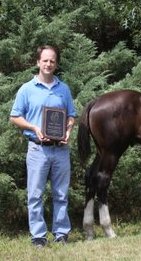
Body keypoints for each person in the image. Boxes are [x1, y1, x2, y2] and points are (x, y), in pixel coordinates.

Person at [10, 45, 76, 247]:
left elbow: (71, 115)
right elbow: (14, 117)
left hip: (61, 150)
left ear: (56, 64)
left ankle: (61, 234)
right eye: (45, 60)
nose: (48, 64)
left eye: (52, 61)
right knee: (35, 195)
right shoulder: (27, 89)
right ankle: (38, 236)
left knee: (61, 194)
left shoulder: (63, 89)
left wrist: (68, 131)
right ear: (38, 62)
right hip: (37, 149)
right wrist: (33, 127)